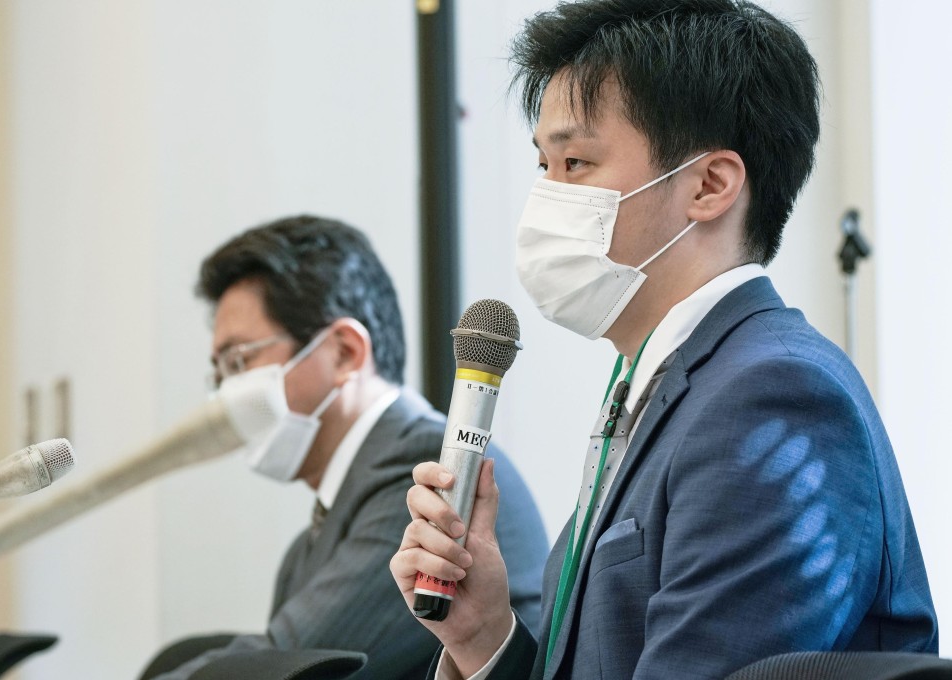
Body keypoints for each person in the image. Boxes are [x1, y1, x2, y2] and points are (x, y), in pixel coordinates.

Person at [390, 1, 939, 678]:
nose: (548, 196)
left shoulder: (773, 397)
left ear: (709, 186)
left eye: (576, 162)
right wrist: (484, 638)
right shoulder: (660, 383)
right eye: (543, 165)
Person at [147, 215, 548, 680]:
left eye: (240, 360)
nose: (225, 394)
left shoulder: (422, 471)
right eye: (220, 373)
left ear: (343, 352)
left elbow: (286, 663)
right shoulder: (309, 543)